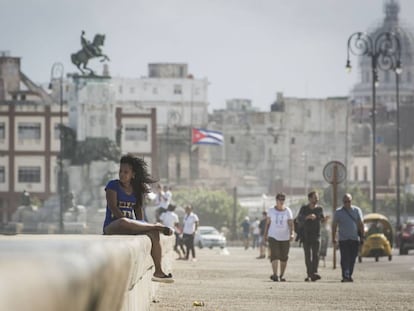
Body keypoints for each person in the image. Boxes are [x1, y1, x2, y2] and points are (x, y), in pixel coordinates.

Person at [102, 154, 174, 283]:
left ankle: (158, 271)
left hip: (130, 227)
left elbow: (138, 212)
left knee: (153, 233)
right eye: (120, 171)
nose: (122, 174)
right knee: (124, 221)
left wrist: (141, 226)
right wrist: (132, 223)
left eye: (126, 172)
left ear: (133, 175)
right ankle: (157, 225)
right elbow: (113, 208)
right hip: (113, 226)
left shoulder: (136, 190)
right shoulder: (112, 185)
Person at [332, 193, 364, 283]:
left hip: (354, 239)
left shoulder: (357, 210)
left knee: (352, 258)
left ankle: (349, 274)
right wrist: (334, 237)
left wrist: (362, 237)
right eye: (345, 202)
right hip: (343, 239)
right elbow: (334, 226)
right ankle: (345, 275)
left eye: (348, 201)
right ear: (343, 202)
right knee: (344, 258)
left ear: (351, 201)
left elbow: (361, 224)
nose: (347, 203)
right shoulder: (338, 212)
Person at [264, 192, 294, 282]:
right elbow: (268, 223)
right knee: (275, 255)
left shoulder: (288, 211)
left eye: (283, 199)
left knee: (284, 257)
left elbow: (291, 223)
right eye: (280, 199)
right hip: (273, 236)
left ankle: (281, 275)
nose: (281, 201)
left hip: (285, 237)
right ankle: (275, 275)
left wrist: (292, 233)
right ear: (276, 200)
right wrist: (265, 234)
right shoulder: (271, 210)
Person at [296, 191, 325, 282]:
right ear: (309, 199)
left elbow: (321, 219)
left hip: (316, 235)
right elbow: (298, 219)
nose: (317, 199)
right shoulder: (304, 208)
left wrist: (323, 219)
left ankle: (314, 273)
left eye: (317, 197)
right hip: (306, 235)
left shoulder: (320, 209)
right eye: (315, 197)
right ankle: (309, 273)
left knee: (316, 255)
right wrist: (307, 217)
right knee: (307, 255)